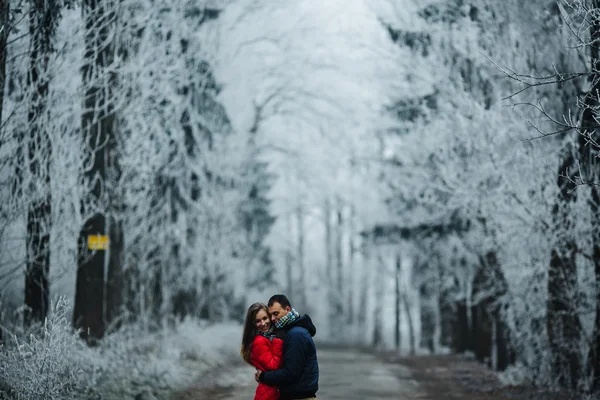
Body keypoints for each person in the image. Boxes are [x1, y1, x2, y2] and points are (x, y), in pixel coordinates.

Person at [255, 294, 319, 400]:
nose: (272, 319)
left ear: (287, 309)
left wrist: (264, 376)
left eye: (276, 314)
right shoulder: (289, 331)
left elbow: (291, 373)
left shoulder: (296, 334)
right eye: (270, 315)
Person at [241, 302, 285, 400]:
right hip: (269, 395)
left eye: (265, 318)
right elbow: (274, 366)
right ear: (253, 324)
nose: (263, 323)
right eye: (258, 321)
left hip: (271, 392)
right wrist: (279, 340)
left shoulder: (271, 336)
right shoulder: (259, 341)